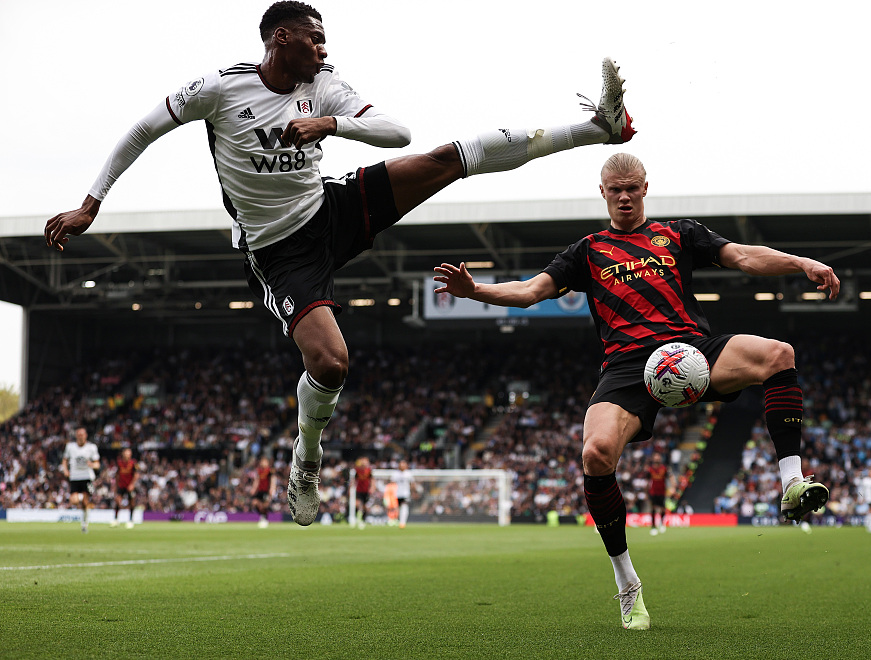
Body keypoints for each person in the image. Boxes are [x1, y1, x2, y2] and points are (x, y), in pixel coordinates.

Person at [43, 1, 636, 527]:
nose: (324, 48)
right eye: (313, 38)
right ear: (279, 39)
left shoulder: (323, 86)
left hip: (330, 207)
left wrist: (333, 123)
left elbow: (396, 132)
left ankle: (594, 127)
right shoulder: (217, 88)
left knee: (446, 157)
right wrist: (91, 203)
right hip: (277, 250)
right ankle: (306, 457)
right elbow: (141, 131)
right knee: (332, 361)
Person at [433, 152, 838, 630]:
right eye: (615, 189)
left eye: (632, 188)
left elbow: (744, 257)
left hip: (690, 349)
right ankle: (628, 586)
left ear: (645, 187)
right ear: (602, 192)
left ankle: (791, 482)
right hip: (627, 366)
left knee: (779, 354)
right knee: (596, 454)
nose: (624, 196)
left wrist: (802, 262)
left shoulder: (680, 233)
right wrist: (474, 289)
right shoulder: (586, 251)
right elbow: (529, 292)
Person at [61, 426, 101, 533]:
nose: (81, 437)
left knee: (85, 503)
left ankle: (84, 525)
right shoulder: (70, 447)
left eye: (82, 435)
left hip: (87, 477)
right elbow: (64, 460)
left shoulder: (91, 448)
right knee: (74, 500)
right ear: (76, 436)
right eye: (79, 435)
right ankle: (86, 497)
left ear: (86, 436)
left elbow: (97, 464)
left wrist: (92, 464)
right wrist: (65, 470)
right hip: (75, 477)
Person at [111, 447, 139, 528]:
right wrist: (115, 485)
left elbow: (136, 475)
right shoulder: (119, 463)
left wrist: (132, 484)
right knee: (117, 501)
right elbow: (117, 474)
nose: (127, 455)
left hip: (129, 486)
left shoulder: (133, 463)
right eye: (126, 453)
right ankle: (116, 520)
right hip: (121, 485)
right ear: (123, 454)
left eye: (128, 453)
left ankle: (130, 520)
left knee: (131, 502)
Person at [251, 456, 278, 528]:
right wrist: (254, 489)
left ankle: (265, 518)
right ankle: (262, 516)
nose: (263, 463)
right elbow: (257, 480)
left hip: (266, 490)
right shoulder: (259, 471)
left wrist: (272, 488)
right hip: (260, 490)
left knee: (265, 505)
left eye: (264, 461)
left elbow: (273, 479)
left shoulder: (269, 470)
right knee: (255, 502)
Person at [647, 453, 668, 535]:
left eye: (658, 458)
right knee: (653, 508)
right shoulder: (650, 469)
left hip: (662, 491)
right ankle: (653, 527)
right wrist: (646, 492)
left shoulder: (664, 468)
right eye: (655, 458)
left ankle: (662, 523)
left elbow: (668, 477)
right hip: (653, 491)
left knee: (663, 508)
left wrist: (672, 486)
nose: (657, 459)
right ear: (653, 459)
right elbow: (647, 481)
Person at [353, 457, 373, 529]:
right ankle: (357, 518)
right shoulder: (357, 470)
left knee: (364, 506)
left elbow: (372, 479)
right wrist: (351, 488)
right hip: (359, 490)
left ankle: (363, 519)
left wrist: (372, 487)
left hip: (366, 490)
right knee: (358, 504)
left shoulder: (369, 471)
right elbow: (354, 479)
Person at [393, 460, 414, 529]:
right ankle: (395, 520)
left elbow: (412, 484)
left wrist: (411, 491)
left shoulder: (408, 474)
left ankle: (402, 522)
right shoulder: (395, 474)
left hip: (405, 493)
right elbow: (392, 484)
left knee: (404, 506)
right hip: (396, 493)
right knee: (396, 508)